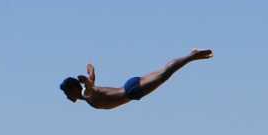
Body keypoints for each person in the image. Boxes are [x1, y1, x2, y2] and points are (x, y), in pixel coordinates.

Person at [60, 49, 213, 110]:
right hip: (130, 87)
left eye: (67, 93)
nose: (66, 97)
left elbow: (90, 85)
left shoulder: (87, 93)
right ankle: (190, 57)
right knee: (164, 72)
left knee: (165, 74)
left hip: (132, 91)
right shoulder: (87, 92)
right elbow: (91, 73)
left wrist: (85, 80)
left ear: (74, 89)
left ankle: (191, 57)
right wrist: (88, 71)